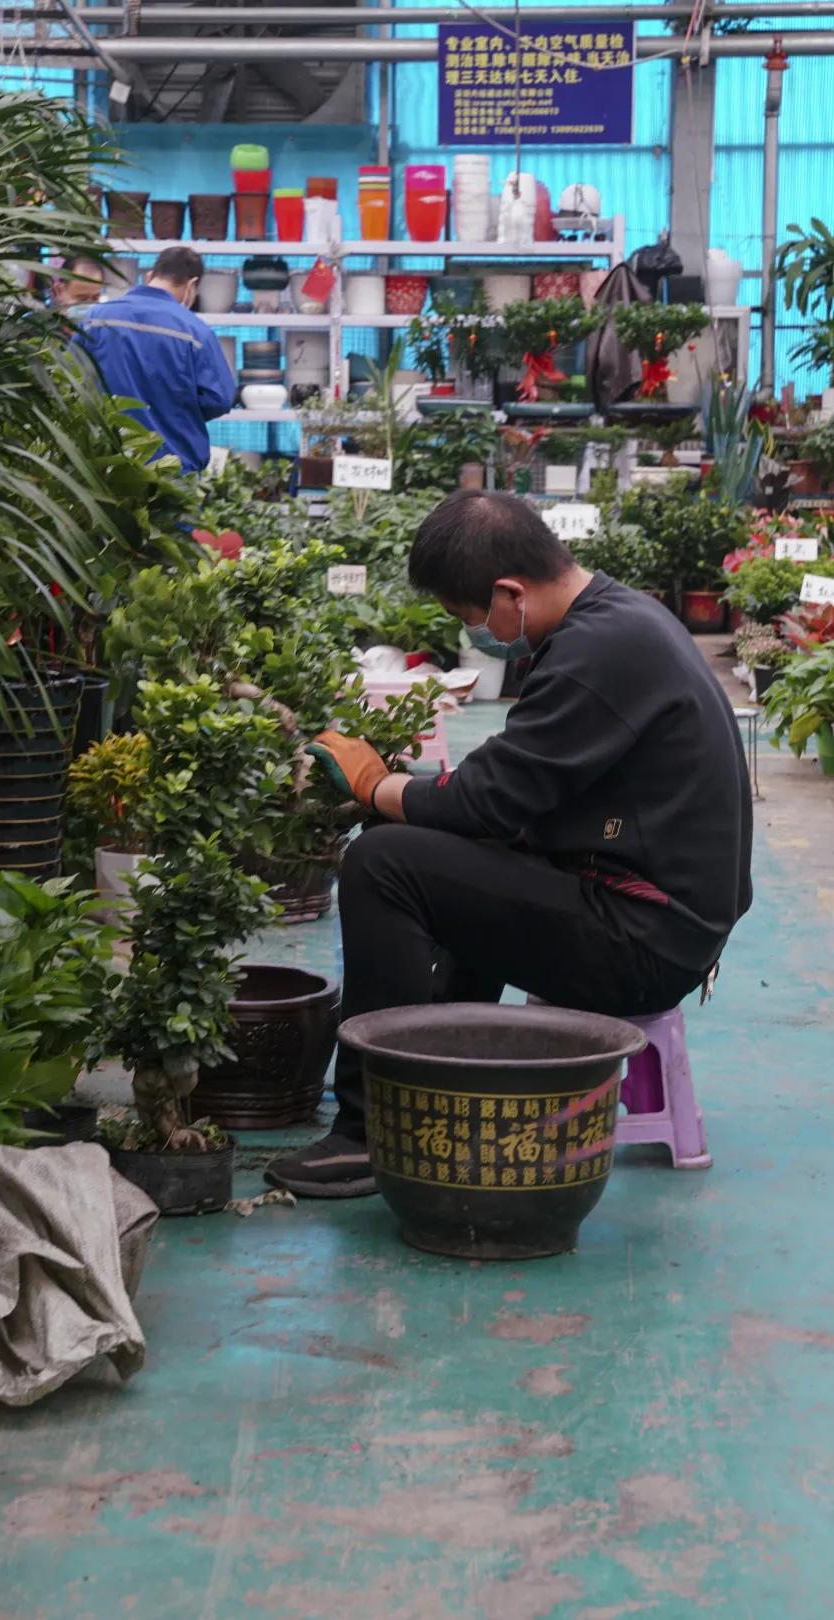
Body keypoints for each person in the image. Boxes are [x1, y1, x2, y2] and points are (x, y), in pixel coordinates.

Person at [266, 491, 753, 1198]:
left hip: (646, 943)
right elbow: (510, 790)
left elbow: (485, 799)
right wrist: (412, 795)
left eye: (471, 619)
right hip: (655, 909)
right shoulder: (616, 620)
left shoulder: (598, 651)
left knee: (382, 862)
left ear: (508, 593)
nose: (481, 634)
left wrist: (377, 785)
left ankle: (369, 1132)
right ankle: (432, 1062)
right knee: (434, 846)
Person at [70, 245, 236, 472]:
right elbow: (219, 398)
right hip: (171, 468)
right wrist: (176, 408)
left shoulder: (95, 319)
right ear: (192, 284)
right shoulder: (195, 333)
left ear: (149, 276)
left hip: (106, 463)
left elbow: (71, 377)